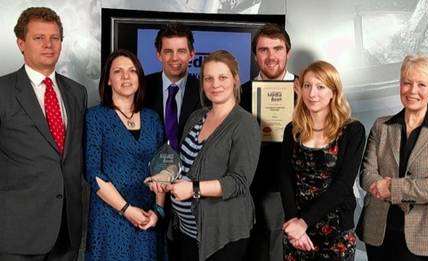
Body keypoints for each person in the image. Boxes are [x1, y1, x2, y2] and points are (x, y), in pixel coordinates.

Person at [150, 50, 261, 261]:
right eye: (208, 78)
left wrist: (193, 189)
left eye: (222, 77)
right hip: (186, 231)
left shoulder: (244, 124)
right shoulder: (196, 117)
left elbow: (238, 183)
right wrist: (164, 177)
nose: (215, 84)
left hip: (222, 235)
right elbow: (181, 164)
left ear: (235, 80)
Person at [0, 7, 87, 261]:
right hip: (17, 234)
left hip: (67, 232)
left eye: (55, 38)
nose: (48, 45)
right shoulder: (3, 91)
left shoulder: (77, 92)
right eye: (39, 38)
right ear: (21, 43)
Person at [357, 54, 428, 261]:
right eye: (407, 83)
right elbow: (366, 175)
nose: (412, 91)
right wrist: (424, 185)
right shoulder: (381, 126)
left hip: (421, 234)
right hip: (378, 230)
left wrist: (392, 188)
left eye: (421, 84)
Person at [280, 61, 365, 260]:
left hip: (335, 232)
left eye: (320, 87)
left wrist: (304, 222)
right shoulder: (292, 130)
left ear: (333, 92)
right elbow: (285, 178)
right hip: (296, 232)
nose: (312, 94)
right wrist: (294, 222)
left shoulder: (353, 131)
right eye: (307, 86)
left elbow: (343, 185)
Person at [84, 49, 164, 261]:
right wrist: (126, 210)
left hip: (148, 219)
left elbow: (164, 168)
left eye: (132, 71)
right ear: (108, 80)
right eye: (118, 71)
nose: (126, 76)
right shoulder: (95, 117)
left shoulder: (152, 118)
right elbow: (93, 172)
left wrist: (158, 211)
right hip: (110, 218)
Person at [240, 23, 295, 261]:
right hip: (249, 192)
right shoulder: (240, 93)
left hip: (293, 193)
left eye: (277, 49)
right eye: (263, 50)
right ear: (255, 55)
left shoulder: (307, 91)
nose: (271, 56)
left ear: (287, 52)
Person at [144, 22, 201, 151]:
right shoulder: (141, 87)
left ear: (192, 55)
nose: (174, 58)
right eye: (168, 51)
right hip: (148, 169)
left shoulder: (204, 91)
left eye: (181, 51)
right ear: (159, 55)